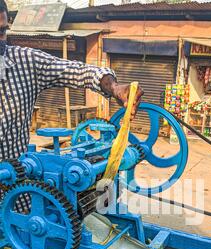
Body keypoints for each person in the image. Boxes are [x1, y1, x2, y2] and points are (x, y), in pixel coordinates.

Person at [0, 0, 144, 163]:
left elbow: (82, 72)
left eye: (2, 31)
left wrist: (114, 87)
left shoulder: (25, 61)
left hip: (17, 183)